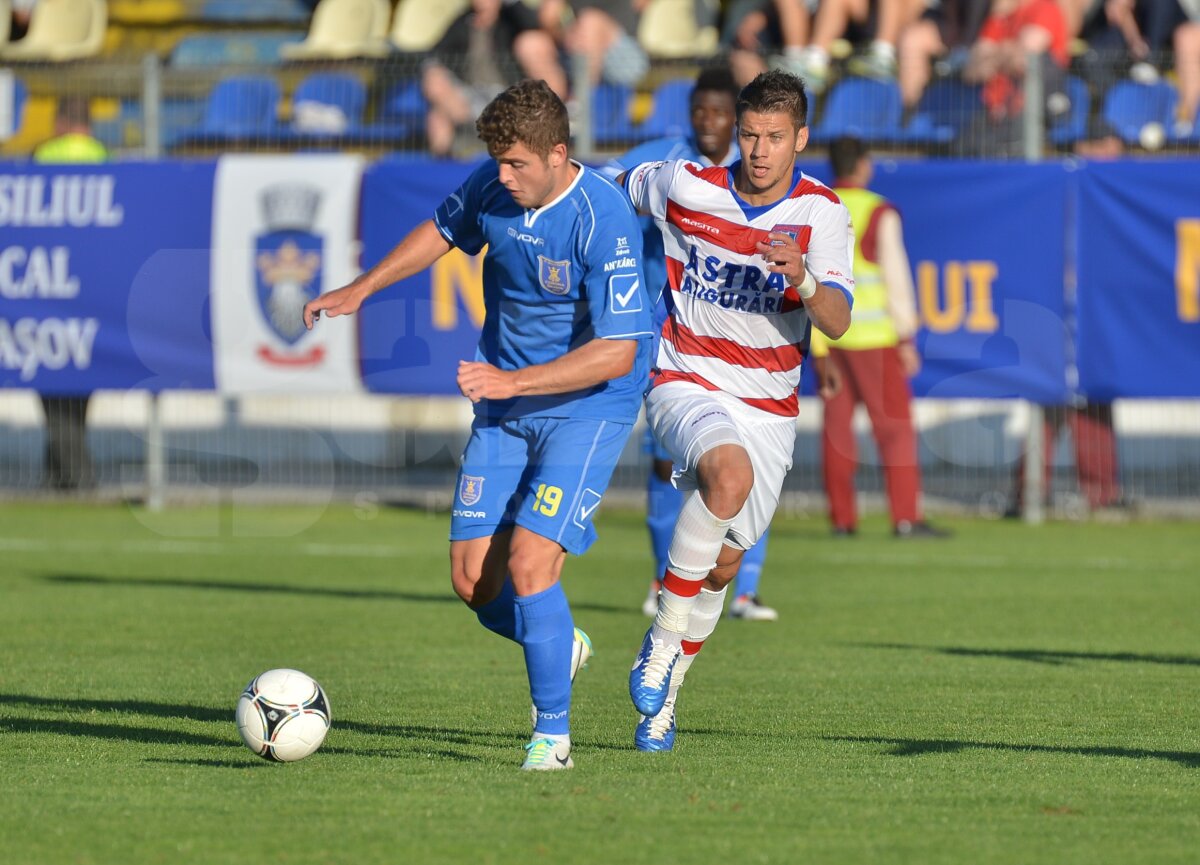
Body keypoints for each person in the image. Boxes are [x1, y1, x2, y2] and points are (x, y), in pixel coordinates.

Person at [302, 80, 653, 770]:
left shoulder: (601, 216)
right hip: (505, 406)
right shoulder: (494, 186)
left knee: (529, 564)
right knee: (473, 581)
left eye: (517, 163)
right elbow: (439, 229)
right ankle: (557, 641)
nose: (502, 175)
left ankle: (552, 737)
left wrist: (513, 381)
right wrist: (360, 288)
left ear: (558, 153)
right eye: (496, 160)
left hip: (587, 407)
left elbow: (619, 349)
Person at [616, 70, 855, 751]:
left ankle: (667, 700)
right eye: (750, 135)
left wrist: (802, 278)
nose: (758, 150)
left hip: (769, 405)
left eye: (775, 138)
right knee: (727, 475)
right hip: (684, 377)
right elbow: (610, 185)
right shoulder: (686, 185)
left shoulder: (822, 213)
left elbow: (836, 319)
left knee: (722, 567)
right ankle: (659, 645)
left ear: (800, 139)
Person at [604, 68, 777, 622]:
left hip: (742, 341)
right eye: (700, 110)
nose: (709, 121)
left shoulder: (756, 172)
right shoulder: (669, 160)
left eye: (720, 112)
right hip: (670, 335)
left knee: (744, 463)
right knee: (664, 468)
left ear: (739, 119)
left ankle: (741, 589)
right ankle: (663, 578)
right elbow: (606, 180)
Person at [809, 137, 949, 539]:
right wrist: (905, 335)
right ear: (864, 165)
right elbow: (895, 277)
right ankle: (905, 517)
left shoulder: (819, 207)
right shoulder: (878, 210)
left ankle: (842, 520)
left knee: (837, 434)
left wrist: (818, 349)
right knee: (895, 429)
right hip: (874, 340)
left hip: (830, 340)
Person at [34, 95, 108, 491]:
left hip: (48, 286)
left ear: (61, 122)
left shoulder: (44, 154)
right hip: (91, 288)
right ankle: (57, 475)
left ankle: (76, 478)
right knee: (79, 387)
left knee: (49, 385)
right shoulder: (104, 156)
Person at [420, 0, 568, 157]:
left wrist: (513, 4)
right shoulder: (463, 22)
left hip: (508, 94)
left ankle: (547, 132)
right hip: (470, 96)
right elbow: (436, 55)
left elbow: (533, 25)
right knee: (435, 97)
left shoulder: (509, 20)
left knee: (533, 43)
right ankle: (445, 165)